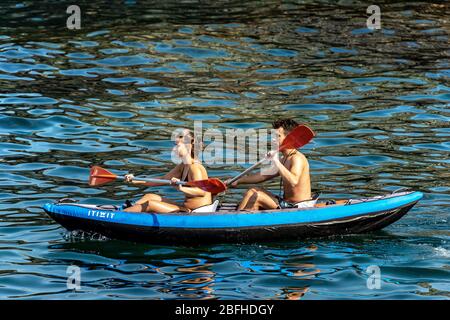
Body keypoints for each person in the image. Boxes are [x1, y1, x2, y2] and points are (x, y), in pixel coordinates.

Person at [227, 119, 316, 211]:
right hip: (286, 203)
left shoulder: (297, 158)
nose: (273, 139)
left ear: (289, 138)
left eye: (278, 136)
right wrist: (238, 180)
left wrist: (275, 161)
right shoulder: (284, 159)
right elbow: (262, 176)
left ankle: (235, 219)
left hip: (299, 206)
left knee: (256, 197)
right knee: (252, 191)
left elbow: (294, 181)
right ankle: (238, 217)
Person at [123, 129, 212, 213]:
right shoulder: (182, 166)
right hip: (185, 207)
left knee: (151, 204)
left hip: (197, 212)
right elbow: (163, 179)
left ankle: (120, 215)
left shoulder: (195, 167)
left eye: (178, 146)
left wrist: (181, 188)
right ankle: (130, 209)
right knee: (149, 196)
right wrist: (135, 180)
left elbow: (201, 192)